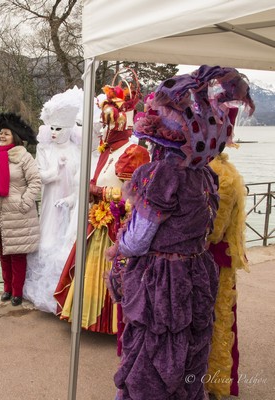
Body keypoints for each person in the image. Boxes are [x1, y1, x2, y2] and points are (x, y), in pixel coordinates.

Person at [106, 65, 254, 399]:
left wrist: (120, 246)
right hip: (196, 271)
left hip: (163, 279)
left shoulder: (161, 173)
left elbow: (139, 238)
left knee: (152, 358)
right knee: (188, 354)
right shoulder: (206, 175)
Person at [54, 71, 150, 335]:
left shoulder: (134, 152)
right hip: (98, 222)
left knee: (115, 272)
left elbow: (139, 198)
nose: (106, 129)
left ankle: (114, 323)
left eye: (110, 122)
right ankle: (90, 318)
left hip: (117, 227)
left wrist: (100, 191)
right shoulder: (106, 151)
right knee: (90, 270)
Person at [22, 86, 84, 313]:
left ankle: (68, 296)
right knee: (47, 241)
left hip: (73, 205)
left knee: (68, 245)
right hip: (50, 202)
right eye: (52, 128)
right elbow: (39, 176)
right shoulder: (45, 149)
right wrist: (55, 172)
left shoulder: (79, 150)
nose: (55, 132)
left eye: (60, 128)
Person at [0, 112, 41, 306]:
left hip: (18, 214)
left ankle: (17, 292)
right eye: (0, 133)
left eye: (6, 133)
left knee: (18, 255)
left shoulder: (24, 157)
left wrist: (24, 203)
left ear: (14, 136)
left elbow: (35, 182)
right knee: (3, 253)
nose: (2, 136)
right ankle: (6, 289)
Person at [205, 151, 249, 398]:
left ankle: (211, 380)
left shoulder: (221, 175)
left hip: (213, 262)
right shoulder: (219, 170)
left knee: (214, 320)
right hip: (213, 258)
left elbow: (214, 231)